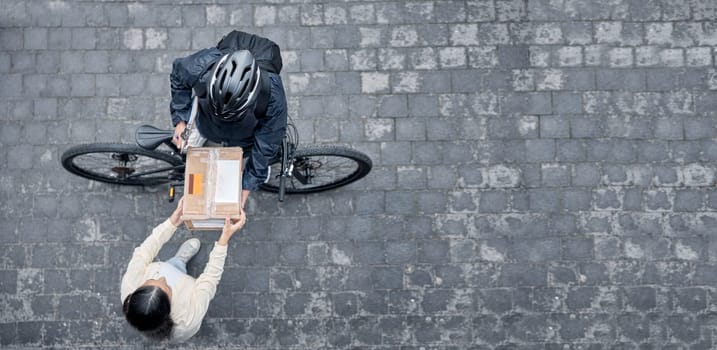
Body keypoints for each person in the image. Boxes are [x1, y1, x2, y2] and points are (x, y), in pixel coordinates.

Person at [169, 30, 287, 210]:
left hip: (243, 137)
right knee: (187, 147)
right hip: (205, 122)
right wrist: (181, 120)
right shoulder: (201, 66)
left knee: (255, 160)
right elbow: (178, 76)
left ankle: (253, 169)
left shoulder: (272, 96)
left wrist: (248, 184)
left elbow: (266, 144)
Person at [120, 197, 246, 342]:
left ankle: (179, 261)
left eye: (151, 280)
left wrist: (171, 223)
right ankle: (178, 263)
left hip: (171, 282)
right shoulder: (188, 320)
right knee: (172, 269)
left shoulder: (129, 286)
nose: (163, 278)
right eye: (167, 288)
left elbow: (143, 252)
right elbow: (210, 278)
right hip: (186, 290)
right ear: (167, 310)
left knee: (172, 265)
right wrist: (224, 239)